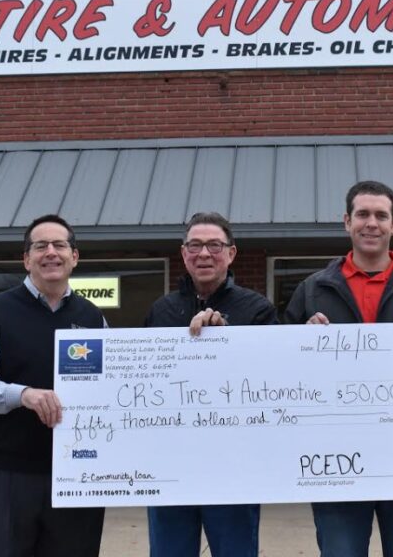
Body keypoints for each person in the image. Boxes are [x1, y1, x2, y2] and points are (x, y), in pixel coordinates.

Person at [285, 180, 393, 557]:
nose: (372, 223)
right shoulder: (312, 290)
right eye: (363, 214)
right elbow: (285, 378)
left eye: (381, 216)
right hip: (335, 465)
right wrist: (300, 342)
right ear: (346, 222)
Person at [0, 214, 108, 557]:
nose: (51, 252)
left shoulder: (94, 317)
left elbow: (109, 391)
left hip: (77, 475)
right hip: (8, 474)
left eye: (60, 245)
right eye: (40, 246)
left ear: (74, 256)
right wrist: (20, 394)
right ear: (26, 259)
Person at [145, 212, 278, 557]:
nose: (204, 254)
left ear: (231, 253)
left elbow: (274, 381)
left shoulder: (259, 310)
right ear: (183, 252)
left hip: (234, 468)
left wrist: (226, 340)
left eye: (214, 246)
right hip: (170, 466)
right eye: (195, 245)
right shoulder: (161, 311)